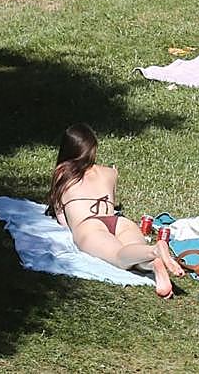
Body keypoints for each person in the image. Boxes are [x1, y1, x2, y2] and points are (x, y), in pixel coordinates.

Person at [46, 123, 186, 299]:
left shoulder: (62, 172)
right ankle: (154, 263)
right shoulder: (110, 172)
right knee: (134, 254)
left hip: (89, 224)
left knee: (119, 257)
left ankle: (156, 251)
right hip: (118, 221)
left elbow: (62, 217)